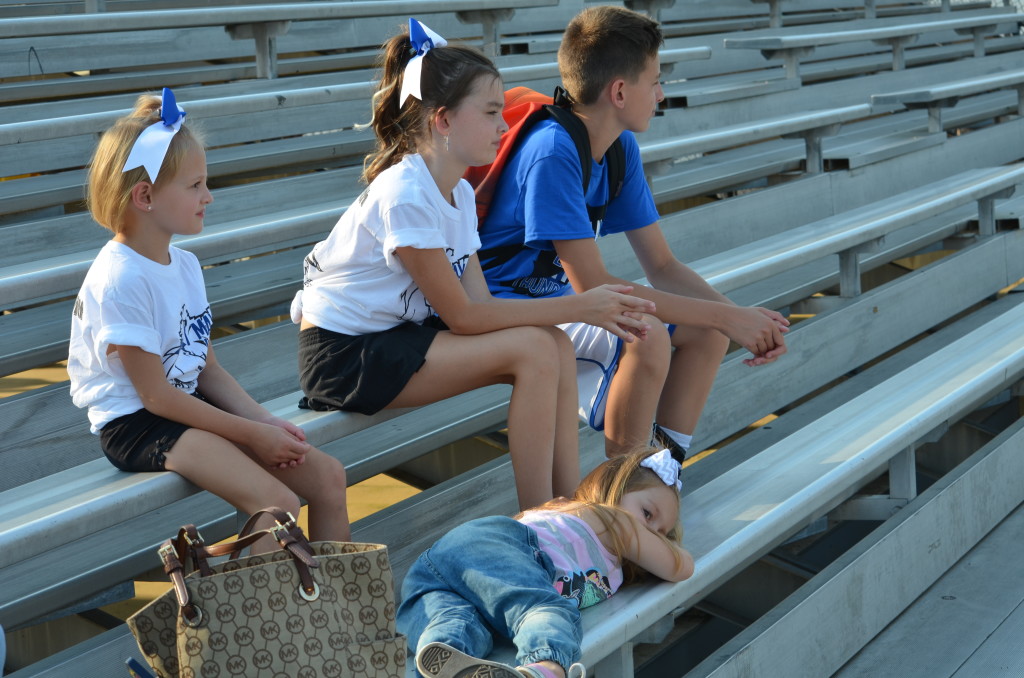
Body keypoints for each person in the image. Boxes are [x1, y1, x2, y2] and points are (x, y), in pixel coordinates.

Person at [291, 19, 656, 510]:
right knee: (534, 349)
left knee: (553, 345)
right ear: (443, 120)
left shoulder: (459, 191)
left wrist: (575, 311)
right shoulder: (406, 194)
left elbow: (479, 303)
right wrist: (582, 306)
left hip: (395, 339)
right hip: (343, 355)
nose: (505, 126)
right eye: (490, 113)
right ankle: (539, 518)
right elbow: (465, 317)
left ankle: (570, 506)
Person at [477, 6, 790, 461]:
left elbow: (662, 266)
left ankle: (664, 473)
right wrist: (727, 317)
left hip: (557, 298)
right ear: (620, 91)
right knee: (646, 332)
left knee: (706, 333)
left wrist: (739, 319)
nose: (661, 94)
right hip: (507, 308)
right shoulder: (552, 152)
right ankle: (623, 490)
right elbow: (596, 290)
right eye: (655, 80)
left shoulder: (619, 146)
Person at [68, 88, 350, 551]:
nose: (209, 196)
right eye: (195, 185)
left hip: (182, 403)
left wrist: (266, 423)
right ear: (145, 196)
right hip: (139, 423)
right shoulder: (119, 278)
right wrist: (253, 436)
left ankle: (336, 615)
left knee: (328, 477)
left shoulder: (184, 265)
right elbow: (155, 395)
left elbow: (208, 369)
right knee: (274, 501)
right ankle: (265, 623)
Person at [398, 447, 694, 678]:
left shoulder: (611, 554)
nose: (652, 534)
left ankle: (444, 650)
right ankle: (546, 667)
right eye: (647, 513)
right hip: (496, 546)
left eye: (661, 533)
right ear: (612, 490)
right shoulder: (614, 520)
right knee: (544, 609)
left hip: (451, 571)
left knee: (458, 621)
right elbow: (680, 567)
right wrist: (673, 547)